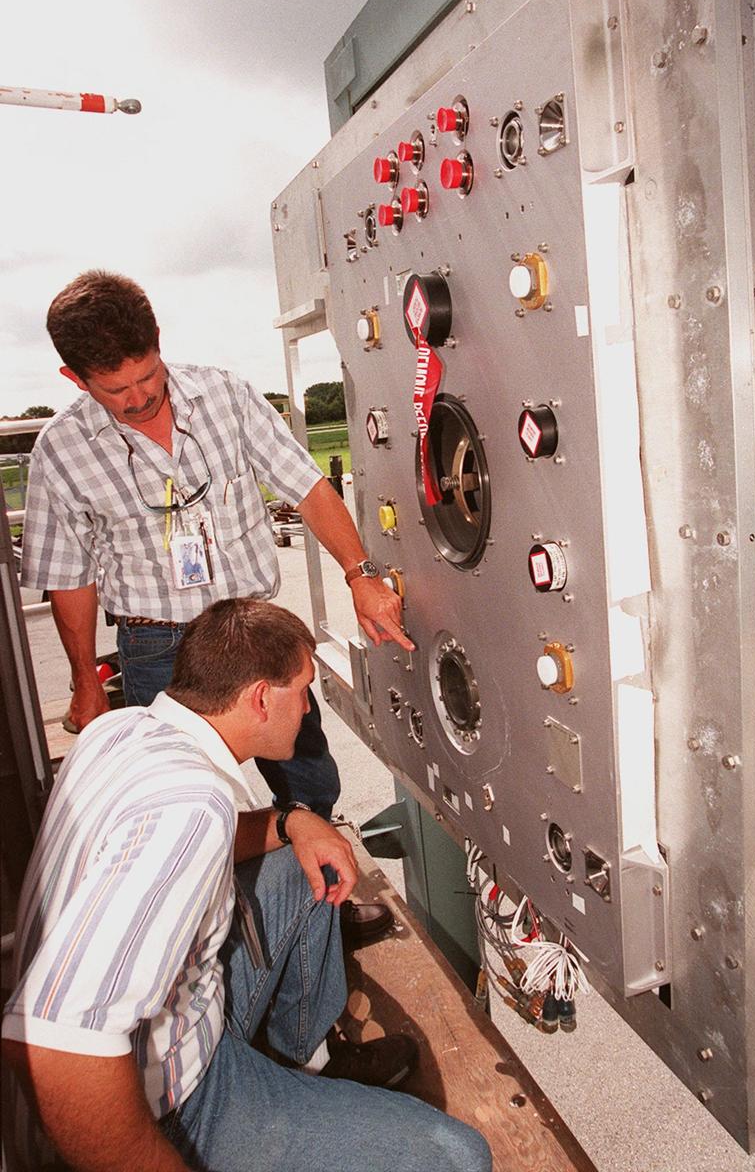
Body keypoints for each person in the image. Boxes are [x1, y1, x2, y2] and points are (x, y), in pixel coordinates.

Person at [2, 598, 491, 1172]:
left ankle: (308, 1062)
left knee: (306, 860)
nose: (307, 709)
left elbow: (162, 839)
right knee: (457, 1158)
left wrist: (291, 821)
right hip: (160, 1101)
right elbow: (54, 1044)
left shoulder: (120, 728)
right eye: (302, 691)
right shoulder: (193, 805)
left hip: (180, 1023)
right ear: (261, 697)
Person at [21, 269, 414, 939]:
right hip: (158, 645)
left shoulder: (225, 395)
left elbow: (307, 485)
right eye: (116, 391)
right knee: (186, 806)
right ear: (74, 378)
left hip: (251, 631)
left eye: (147, 376)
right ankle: (222, 937)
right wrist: (85, 679)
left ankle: (318, 915)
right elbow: (70, 577)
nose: (140, 398)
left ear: (158, 342)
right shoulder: (60, 451)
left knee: (308, 777)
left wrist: (359, 573)